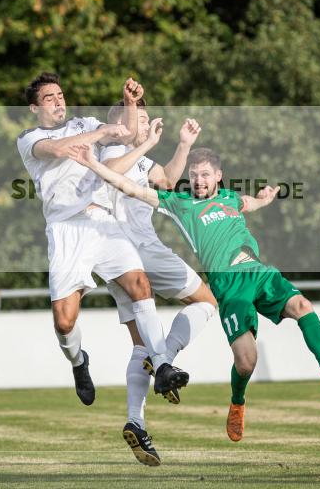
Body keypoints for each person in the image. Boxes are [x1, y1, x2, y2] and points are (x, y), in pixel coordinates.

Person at [68, 142, 320, 444]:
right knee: (247, 362)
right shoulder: (181, 202)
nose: (198, 180)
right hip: (228, 285)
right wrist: (94, 165)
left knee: (302, 305)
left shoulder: (229, 198)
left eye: (205, 175)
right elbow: (132, 188)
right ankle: (237, 401)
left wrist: (263, 200)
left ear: (218, 176)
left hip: (258, 272)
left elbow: (246, 202)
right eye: (194, 175)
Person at [15, 72, 188, 408]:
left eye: (61, 95)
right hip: (66, 230)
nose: (58, 101)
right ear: (35, 108)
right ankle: (79, 362)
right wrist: (103, 131)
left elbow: (129, 133)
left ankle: (163, 364)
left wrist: (129, 102)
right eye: (49, 98)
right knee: (65, 322)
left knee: (139, 284)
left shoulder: (85, 123)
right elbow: (61, 149)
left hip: (102, 223)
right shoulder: (29, 137)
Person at [99, 100, 218, 466]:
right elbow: (107, 170)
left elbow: (166, 180)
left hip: (116, 258)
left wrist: (182, 144)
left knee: (140, 344)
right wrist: (146, 143)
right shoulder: (114, 149)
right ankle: (164, 360)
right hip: (138, 248)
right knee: (207, 301)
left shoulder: (136, 155)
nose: (146, 121)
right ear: (120, 123)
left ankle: (136, 420)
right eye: (139, 116)